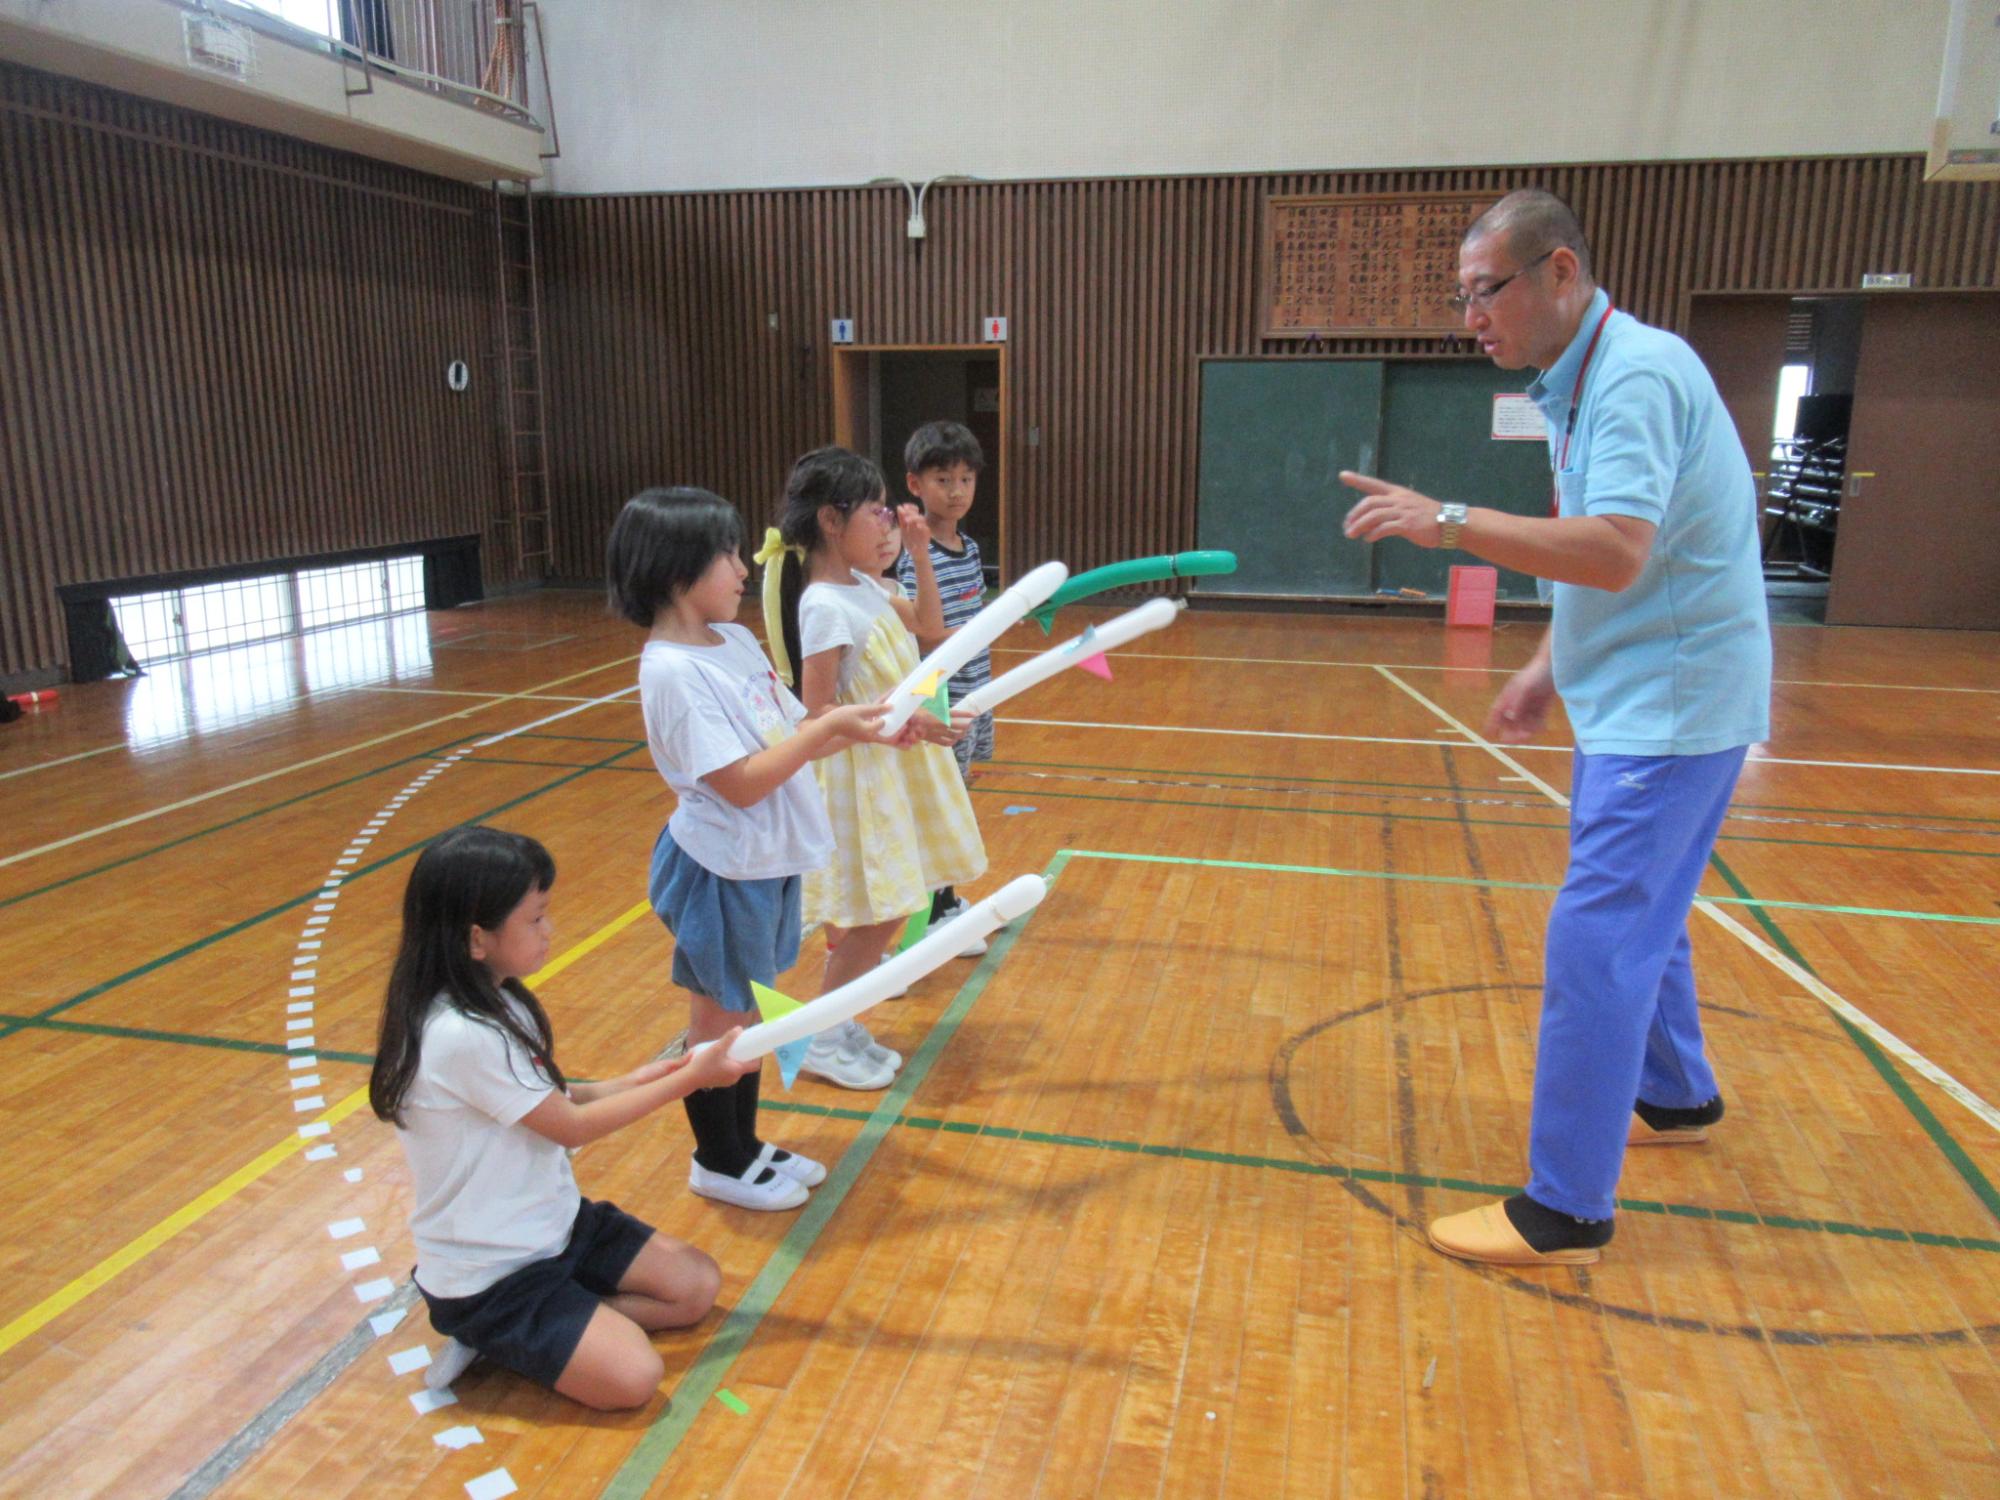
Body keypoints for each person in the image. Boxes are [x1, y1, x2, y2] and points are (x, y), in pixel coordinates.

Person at [1340, 188, 1771, 1266]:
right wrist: (1546, 664)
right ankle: (1672, 1094)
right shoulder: (1582, 379)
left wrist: (1443, 520)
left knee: (1596, 939)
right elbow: (1617, 552)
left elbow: (1616, 549)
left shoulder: (1627, 376)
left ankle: (1567, 1208)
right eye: (1462, 296)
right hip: (1643, 696)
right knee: (1644, 915)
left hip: (1672, 709)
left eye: (1485, 291)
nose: (1469, 315)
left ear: (1561, 274)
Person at [368, 824, 756, 1410]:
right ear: (477, 938)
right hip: (493, 1276)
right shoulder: (458, 1033)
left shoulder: (497, 997)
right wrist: (689, 1079)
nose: (549, 931)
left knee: (695, 1288)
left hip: (557, 1226)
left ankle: (571, 1324)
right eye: (535, 919)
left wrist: (631, 1082)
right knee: (634, 1379)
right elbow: (570, 1128)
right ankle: (493, 1335)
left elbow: (544, 1099)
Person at [608, 486, 891, 1210]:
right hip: (720, 870)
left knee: (752, 1015)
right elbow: (738, 784)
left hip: (766, 859)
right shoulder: (672, 671)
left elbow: (795, 721)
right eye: (726, 555)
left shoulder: (730, 641)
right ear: (676, 570)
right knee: (718, 1023)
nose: (743, 569)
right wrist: (823, 733)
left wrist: (872, 723)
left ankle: (745, 1144)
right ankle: (719, 1159)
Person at [763, 446, 987, 1089]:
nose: (890, 524)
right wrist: (904, 724)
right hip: (861, 777)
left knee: (893, 906)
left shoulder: (864, 587)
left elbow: (932, 632)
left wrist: (918, 551)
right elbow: (818, 714)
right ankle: (825, 1031)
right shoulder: (825, 605)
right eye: (878, 512)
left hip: (893, 763)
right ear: (833, 521)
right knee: (877, 911)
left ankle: (835, 1022)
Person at [893, 422, 997, 953]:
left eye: (965, 479)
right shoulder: (916, 555)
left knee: (957, 799)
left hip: (977, 692)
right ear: (915, 485)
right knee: (939, 806)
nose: (956, 491)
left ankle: (947, 901)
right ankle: (929, 919)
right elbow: (924, 631)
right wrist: (992, 625)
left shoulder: (970, 546)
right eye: (942, 479)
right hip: (939, 699)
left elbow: (970, 617)